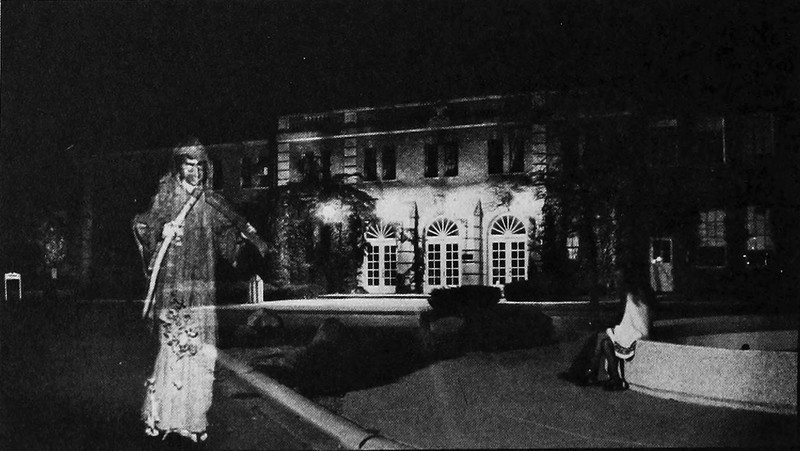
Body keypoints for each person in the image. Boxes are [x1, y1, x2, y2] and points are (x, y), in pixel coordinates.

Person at [132, 137, 268, 442]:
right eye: (189, 164)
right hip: (173, 288)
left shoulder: (211, 202)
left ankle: (192, 421)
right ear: (178, 167)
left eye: (200, 165)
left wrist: (243, 248)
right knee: (173, 351)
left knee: (197, 355)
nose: (195, 170)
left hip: (201, 290)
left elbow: (227, 235)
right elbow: (143, 225)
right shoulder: (166, 198)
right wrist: (161, 230)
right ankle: (165, 418)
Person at [579, 284, 652, 391]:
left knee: (603, 339)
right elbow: (629, 323)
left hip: (635, 337)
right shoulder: (641, 301)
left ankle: (594, 372)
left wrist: (616, 331)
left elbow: (634, 325)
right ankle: (611, 377)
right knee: (604, 341)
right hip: (634, 335)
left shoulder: (632, 301)